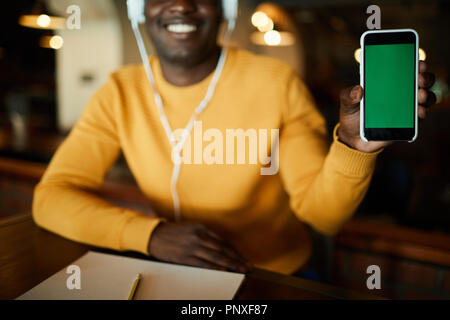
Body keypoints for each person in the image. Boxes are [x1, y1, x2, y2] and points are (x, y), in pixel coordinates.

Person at [32, 0, 436, 275]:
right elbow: (50, 198)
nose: (181, 4)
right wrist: (150, 236)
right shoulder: (118, 92)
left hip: (271, 276)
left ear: (224, 8)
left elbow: (322, 215)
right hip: (175, 273)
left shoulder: (276, 83)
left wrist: (355, 146)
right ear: (141, 10)